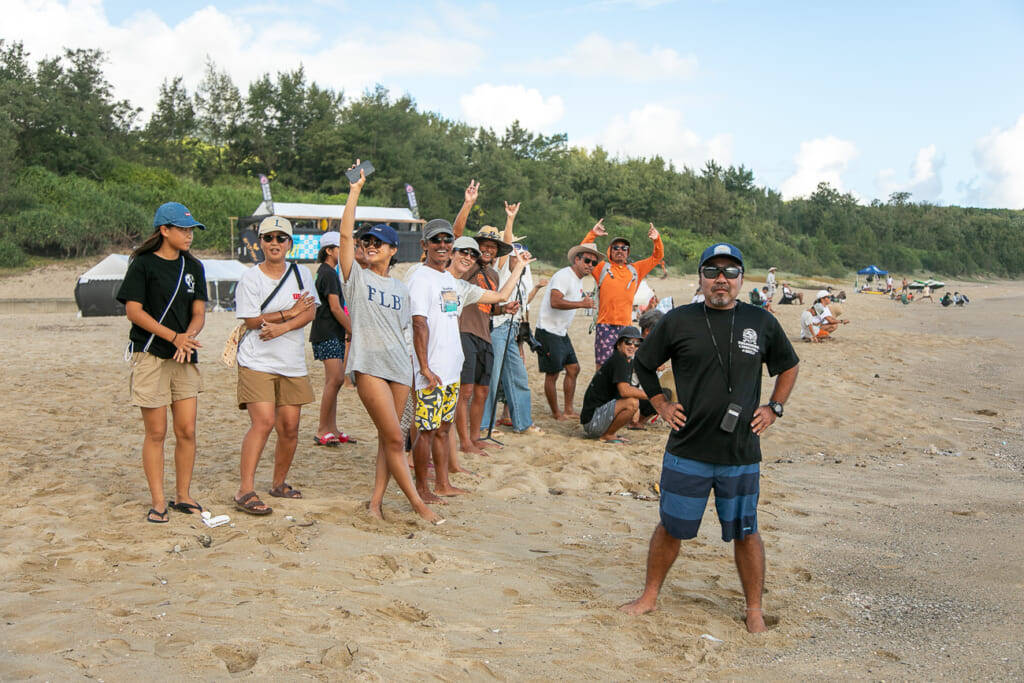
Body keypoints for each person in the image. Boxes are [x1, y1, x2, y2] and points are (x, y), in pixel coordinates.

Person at [620, 242, 800, 634]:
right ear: (700, 278)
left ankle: (754, 609)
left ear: (740, 278)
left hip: (741, 450)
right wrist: (660, 404)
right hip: (688, 447)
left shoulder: (761, 321)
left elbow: (788, 365)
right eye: (713, 272)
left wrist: (774, 408)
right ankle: (649, 596)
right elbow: (645, 363)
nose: (722, 280)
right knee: (670, 526)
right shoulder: (678, 320)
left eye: (730, 272)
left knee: (746, 531)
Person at [336, 165, 442, 524]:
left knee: (388, 439)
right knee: (397, 439)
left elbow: (406, 335)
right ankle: (417, 504)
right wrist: (355, 192)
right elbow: (345, 238)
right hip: (369, 366)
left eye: (376, 242)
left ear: (392, 250)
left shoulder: (400, 288)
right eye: (366, 242)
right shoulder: (356, 278)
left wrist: (416, 373)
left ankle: (375, 504)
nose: (369, 246)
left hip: (400, 367)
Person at [407, 222, 531, 503]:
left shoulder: (456, 285)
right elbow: (418, 324)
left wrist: (519, 268)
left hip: (451, 370)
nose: (443, 245)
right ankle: (422, 488)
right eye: (436, 240)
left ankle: (442, 483)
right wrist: (424, 367)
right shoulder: (420, 277)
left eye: (446, 240)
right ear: (425, 245)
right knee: (425, 431)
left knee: (442, 430)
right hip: (431, 372)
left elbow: (499, 297)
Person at [117, 202, 208, 523]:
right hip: (151, 354)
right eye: (183, 229)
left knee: (187, 430)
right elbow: (134, 311)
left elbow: (199, 312)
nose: (189, 235)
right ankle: (158, 501)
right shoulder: (142, 265)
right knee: (156, 432)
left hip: (185, 355)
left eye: (191, 230)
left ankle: (183, 495)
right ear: (163, 231)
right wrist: (174, 337)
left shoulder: (194, 267)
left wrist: (189, 336)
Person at [232, 216, 318, 515]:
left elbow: (310, 313)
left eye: (281, 238)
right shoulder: (251, 278)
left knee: (290, 428)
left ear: (290, 244)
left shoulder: (302, 274)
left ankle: (279, 483)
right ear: (260, 243)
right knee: (264, 422)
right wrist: (288, 313)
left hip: (292, 361)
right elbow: (252, 320)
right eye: (269, 238)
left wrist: (281, 326)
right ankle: (245, 490)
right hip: (257, 360)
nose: (275, 243)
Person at [480, 205, 544, 437]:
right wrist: (510, 219)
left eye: (521, 250)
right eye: (513, 250)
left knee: (517, 376)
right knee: (492, 378)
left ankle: (523, 423)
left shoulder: (523, 272)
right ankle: (484, 425)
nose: (518, 253)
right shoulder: (498, 266)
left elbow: (525, 301)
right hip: (496, 326)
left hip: (511, 327)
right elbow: (506, 244)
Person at [581, 218, 664, 367]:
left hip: (626, 326)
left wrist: (657, 239)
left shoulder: (636, 270)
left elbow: (657, 257)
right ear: (610, 252)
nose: (620, 250)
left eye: (624, 248)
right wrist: (593, 234)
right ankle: (601, 391)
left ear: (628, 252)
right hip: (605, 325)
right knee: (602, 366)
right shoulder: (602, 268)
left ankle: (620, 391)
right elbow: (585, 252)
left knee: (625, 365)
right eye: (616, 248)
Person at [535, 243, 600, 420]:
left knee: (574, 369)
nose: (590, 265)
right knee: (553, 373)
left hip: (561, 331)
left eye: (593, 263)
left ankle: (569, 410)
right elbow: (555, 301)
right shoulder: (564, 276)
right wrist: (581, 303)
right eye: (587, 260)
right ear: (577, 259)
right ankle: (556, 412)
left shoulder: (577, 279)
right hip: (548, 330)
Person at [310, 231, 355, 446]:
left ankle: (332, 427)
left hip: (332, 331)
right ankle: (322, 429)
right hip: (327, 331)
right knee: (335, 379)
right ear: (329, 250)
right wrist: (351, 329)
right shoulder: (327, 273)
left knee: (335, 381)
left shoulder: (329, 272)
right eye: (340, 247)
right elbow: (335, 308)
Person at [580, 326, 647, 443]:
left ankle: (610, 433)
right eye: (628, 342)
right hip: (592, 421)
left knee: (634, 402)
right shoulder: (619, 360)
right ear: (618, 344)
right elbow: (624, 391)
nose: (632, 346)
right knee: (632, 403)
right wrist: (651, 395)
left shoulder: (626, 360)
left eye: (637, 344)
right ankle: (608, 435)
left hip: (595, 418)